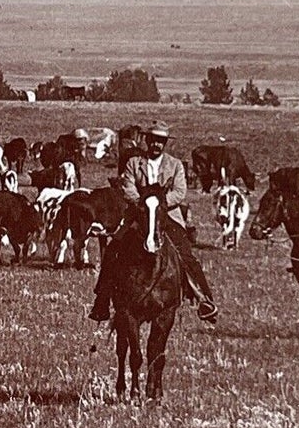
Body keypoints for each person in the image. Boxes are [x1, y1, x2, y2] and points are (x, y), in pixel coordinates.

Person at [88, 122, 218, 324]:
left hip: (167, 217)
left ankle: (203, 299)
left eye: (161, 141)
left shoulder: (175, 165)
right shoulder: (134, 163)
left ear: (165, 143)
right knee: (114, 248)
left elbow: (180, 192)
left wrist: (159, 204)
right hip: (139, 215)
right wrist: (143, 203)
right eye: (154, 140)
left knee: (186, 255)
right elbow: (127, 186)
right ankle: (102, 299)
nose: (157, 144)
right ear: (147, 141)